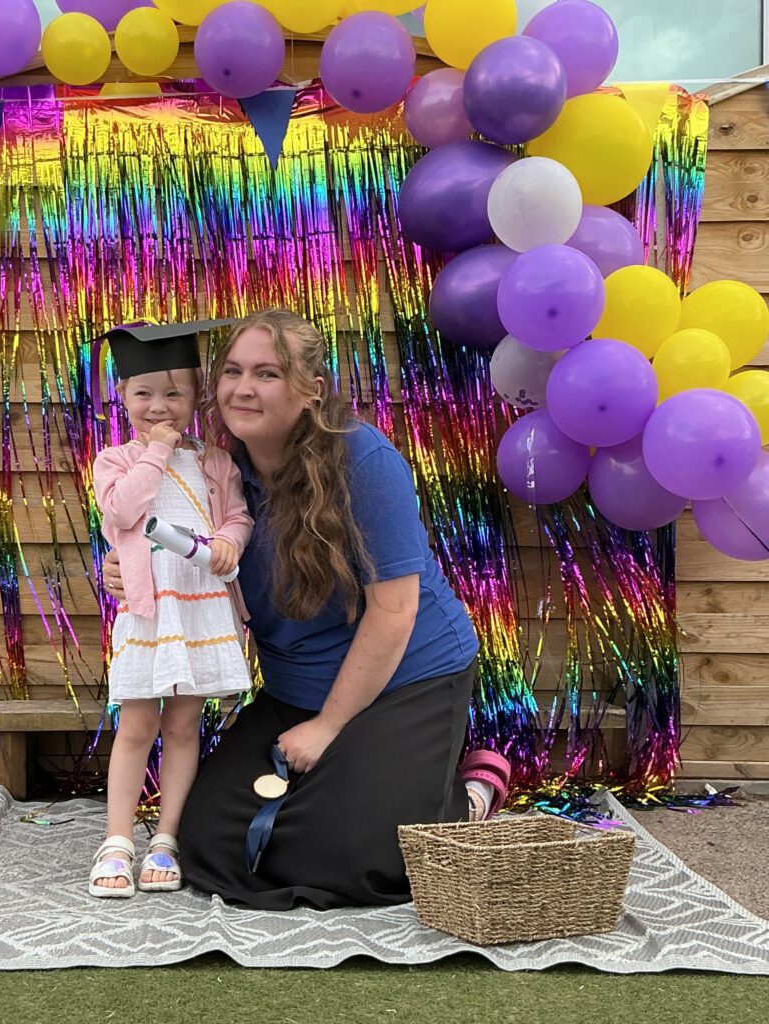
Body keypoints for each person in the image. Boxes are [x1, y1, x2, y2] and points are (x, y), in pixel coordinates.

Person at [103, 309, 511, 910]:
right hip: (295, 688)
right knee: (206, 840)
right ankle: (385, 784)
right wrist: (124, 568)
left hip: (406, 677)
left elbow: (395, 611)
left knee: (355, 855)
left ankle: (468, 795)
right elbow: (169, 542)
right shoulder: (219, 472)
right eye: (232, 371)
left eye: (267, 373)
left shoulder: (363, 460)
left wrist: (328, 728)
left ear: (311, 390)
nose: (244, 388)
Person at [89, 321, 254, 899]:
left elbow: (237, 514)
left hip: (200, 605)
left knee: (184, 725)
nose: (158, 405)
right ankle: (117, 840)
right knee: (137, 723)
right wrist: (157, 449)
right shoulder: (114, 461)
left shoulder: (215, 461)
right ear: (123, 395)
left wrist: (230, 539)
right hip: (148, 610)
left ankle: (167, 837)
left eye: (173, 393)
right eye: (144, 393)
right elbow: (123, 512)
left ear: (195, 396)